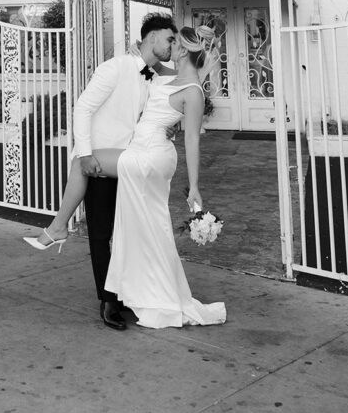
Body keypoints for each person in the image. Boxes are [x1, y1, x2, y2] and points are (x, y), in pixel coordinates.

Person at [24, 25, 226, 331]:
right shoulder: (151, 72)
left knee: (81, 165)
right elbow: (94, 103)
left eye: (176, 41)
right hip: (133, 152)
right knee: (144, 229)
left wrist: (195, 184)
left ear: (183, 50)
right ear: (153, 38)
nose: (171, 45)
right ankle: (131, 296)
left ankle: (58, 227)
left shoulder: (187, 86)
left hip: (145, 155)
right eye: (168, 38)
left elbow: (191, 137)